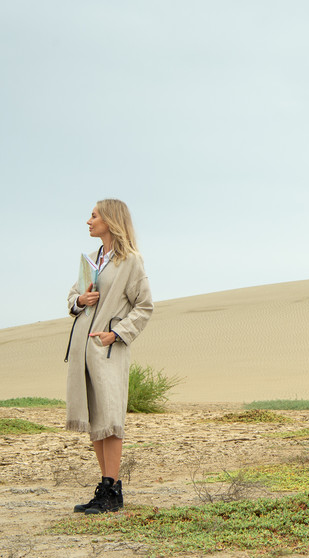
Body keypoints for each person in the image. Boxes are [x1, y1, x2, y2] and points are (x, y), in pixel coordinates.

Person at [65, 199, 153, 514]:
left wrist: (116, 334)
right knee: (95, 418)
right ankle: (106, 488)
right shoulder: (90, 260)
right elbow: (73, 297)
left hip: (109, 348)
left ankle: (112, 490)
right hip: (83, 349)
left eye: (93, 216)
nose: (88, 221)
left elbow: (144, 306)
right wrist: (80, 299)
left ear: (110, 220)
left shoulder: (131, 261)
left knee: (111, 418)